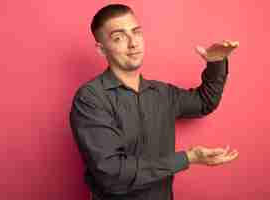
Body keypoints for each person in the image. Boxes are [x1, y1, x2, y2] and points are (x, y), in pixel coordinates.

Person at [69, 4, 239, 200]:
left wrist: (216, 62)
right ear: (101, 49)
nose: (133, 43)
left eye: (136, 32)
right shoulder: (90, 99)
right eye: (118, 37)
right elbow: (112, 173)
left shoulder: (162, 93)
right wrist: (188, 158)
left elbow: (205, 102)